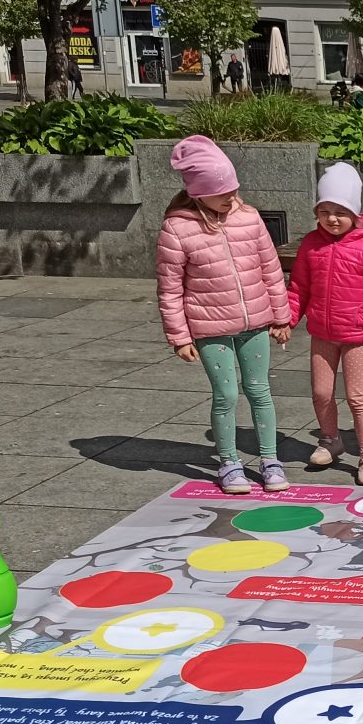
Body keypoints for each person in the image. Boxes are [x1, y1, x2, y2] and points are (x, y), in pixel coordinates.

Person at [155, 135, 292, 495]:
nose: (231, 198)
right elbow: (170, 289)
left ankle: (270, 459)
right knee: (226, 395)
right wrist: (180, 336)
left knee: (260, 391)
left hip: (255, 322)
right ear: (198, 193)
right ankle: (229, 463)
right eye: (222, 193)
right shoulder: (177, 228)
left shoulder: (248, 217)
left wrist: (281, 317)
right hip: (209, 327)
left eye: (233, 189)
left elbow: (270, 269)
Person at [284, 163, 363, 488]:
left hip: (357, 335)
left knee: (356, 395)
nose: (332, 219)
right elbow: (298, 288)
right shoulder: (311, 244)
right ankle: (330, 440)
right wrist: (287, 320)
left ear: (355, 212)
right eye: (324, 211)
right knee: (321, 392)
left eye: (340, 212)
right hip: (322, 333)